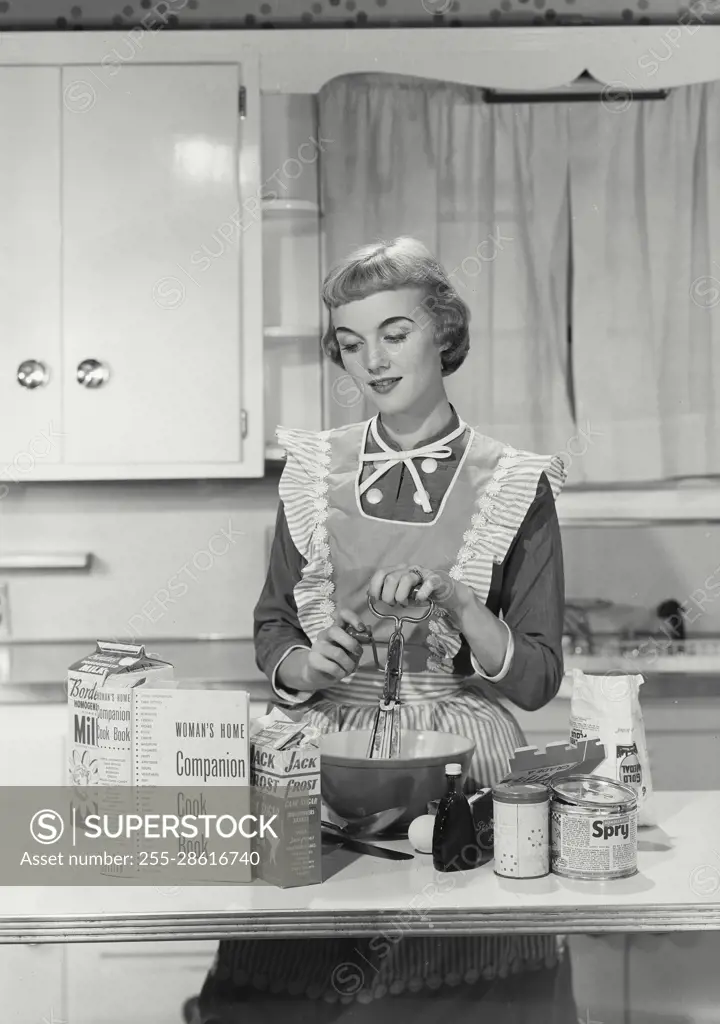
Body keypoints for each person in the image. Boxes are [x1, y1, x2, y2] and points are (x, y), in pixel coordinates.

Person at [197, 237, 577, 1022]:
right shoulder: (312, 470)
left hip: (461, 768)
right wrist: (309, 665)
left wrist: (462, 605)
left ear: (443, 331)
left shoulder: (513, 483)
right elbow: (273, 625)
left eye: (394, 333)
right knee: (292, 986)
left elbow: (537, 679)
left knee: (449, 996)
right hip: (318, 768)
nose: (371, 359)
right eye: (349, 342)